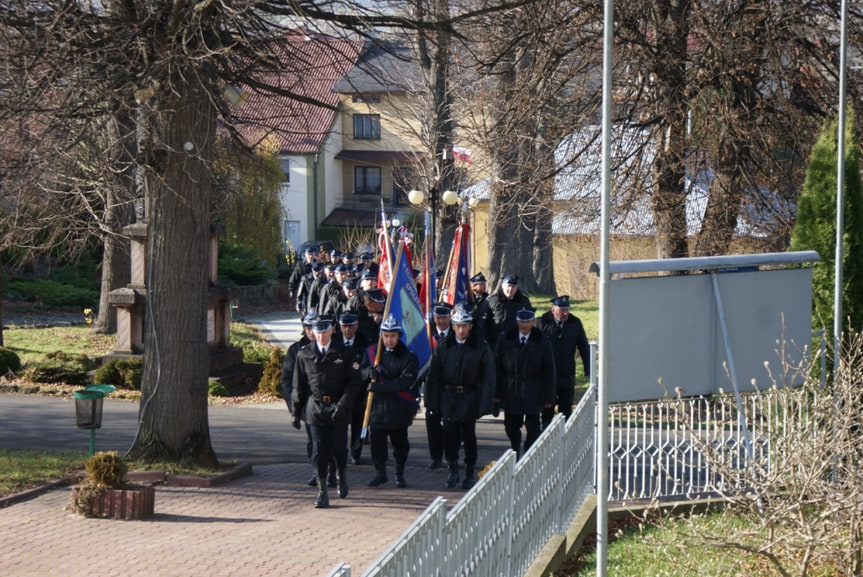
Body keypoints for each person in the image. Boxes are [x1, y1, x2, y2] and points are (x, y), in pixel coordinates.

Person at [291, 316, 362, 508]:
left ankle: (341, 474)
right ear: (313, 332)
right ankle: (322, 491)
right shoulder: (304, 354)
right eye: (318, 331)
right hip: (316, 408)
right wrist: (296, 412)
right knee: (319, 451)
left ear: (332, 331)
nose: (321, 335)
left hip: (338, 407)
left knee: (339, 449)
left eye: (324, 331)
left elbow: (354, 382)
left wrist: (343, 405)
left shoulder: (345, 353)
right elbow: (298, 385)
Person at [425, 306, 495, 490]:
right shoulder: (443, 346)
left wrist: (485, 403)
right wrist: (432, 402)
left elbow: (488, 377)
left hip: (470, 396)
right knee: (449, 435)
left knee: (468, 435)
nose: (461, 330)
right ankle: (453, 469)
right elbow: (434, 376)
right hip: (448, 397)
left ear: (470, 326)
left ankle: (470, 471)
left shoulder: (480, 347)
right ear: (453, 326)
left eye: (465, 326)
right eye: (458, 326)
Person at [364, 315, 420, 488]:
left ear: (399, 336)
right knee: (377, 444)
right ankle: (380, 473)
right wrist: (368, 373)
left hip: (398, 408)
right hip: (377, 408)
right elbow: (357, 370)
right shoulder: (373, 353)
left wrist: (379, 387)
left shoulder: (409, 357)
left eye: (392, 336)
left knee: (400, 444)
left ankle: (399, 473)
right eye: (386, 336)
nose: (389, 340)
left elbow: (404, 382)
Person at [494, 308, 556, 458]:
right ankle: (515, 447)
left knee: (533, 428)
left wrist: (549, 397)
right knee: (510, 426)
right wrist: (496, 393)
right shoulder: (505, 339)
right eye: (522, 321)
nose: (524, 325)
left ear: (533, 322)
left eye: (528, 321)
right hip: (511, 390)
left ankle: (528, 453)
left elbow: (549, 370)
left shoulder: (542, 340)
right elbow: (497, 367)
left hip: (533, 391)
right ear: (517, 321)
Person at [537, 295, 591, 428]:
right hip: (546, 375)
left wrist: (588, 369)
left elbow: (583, 347)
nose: (565, 313)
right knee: (547, 411)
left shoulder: (575, 323)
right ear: (553, 309)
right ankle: (545, 439)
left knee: (566, 411)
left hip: (566, 373)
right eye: (562, 310)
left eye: (567, 309)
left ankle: (565, 441)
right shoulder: (541, 322)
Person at [280, 312, 319, 486]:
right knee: (313, 440)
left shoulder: (332, 347)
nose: (311, 331)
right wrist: (294, 408)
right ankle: (317, 471)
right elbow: (287, 381)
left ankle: (333, 470)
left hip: (328, 403)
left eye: (314, 327)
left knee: (331, 441)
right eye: (308, 327)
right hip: (307, 404)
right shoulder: (296, 350)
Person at [337, 311, 370, 465]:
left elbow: (366, 365)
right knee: (340, 424)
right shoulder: (335, 340)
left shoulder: (364, 342)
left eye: (350, 326)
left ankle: (356, 452)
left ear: (356, 325)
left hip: (359, 390)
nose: (347, 330)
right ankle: (340, 452)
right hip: (339, 390)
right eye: (344, 326)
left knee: (358, 422)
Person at [424, 302, 452, 469]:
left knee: (450, 426)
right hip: (432, 386)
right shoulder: (427, 335)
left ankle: (450, 457)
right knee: (432, 422)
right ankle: (435, 457)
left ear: (450, 318)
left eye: (443, 317)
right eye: (437, 317)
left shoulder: (455, 335)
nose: (440, 321)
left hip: (449, 387)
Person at [486, 274, 532, 346]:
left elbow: (530, 321)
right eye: (508, 286)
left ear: (516, 288)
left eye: (513, 287)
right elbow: (483, 324)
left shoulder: (523, 302)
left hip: (517, 342)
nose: (510, 289)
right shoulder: (491, 301)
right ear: (502, 286)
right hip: (495, 342)